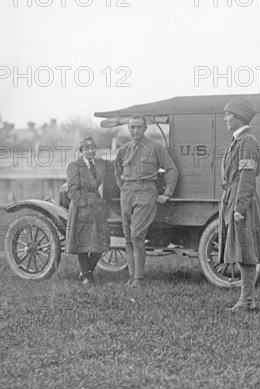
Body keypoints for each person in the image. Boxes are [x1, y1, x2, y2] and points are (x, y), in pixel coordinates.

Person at [115, 115, 179, 287]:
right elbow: (117, 172)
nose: (135, 130)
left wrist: (167, 193)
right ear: (129, 129)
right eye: (132, 127)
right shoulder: (123, 150)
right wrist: (124, 187)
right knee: (127, 235)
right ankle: (131, 276)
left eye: (139, 127)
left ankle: (139, 278)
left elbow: (172, 169)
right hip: (127, 192)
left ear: (145, 129)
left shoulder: (155, 147)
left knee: (137, 234)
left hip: (146, 192)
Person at [219, 98, 260, 312]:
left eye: (228, 115)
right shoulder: (238, 141)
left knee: (245, 250)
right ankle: (247, 299)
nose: (225, 119)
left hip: (242, 199)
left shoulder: (247, 141)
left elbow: (247, 176)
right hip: (234, 196)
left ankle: (246, 300)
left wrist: (239, 208)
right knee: (242, 249)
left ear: (238, 117)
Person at [65, 137, 110, 285]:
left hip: (97, 206)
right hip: (80, 207)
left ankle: (87, 271)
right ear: (81, 151)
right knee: (83, 244)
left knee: (101, 242)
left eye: (92, 149)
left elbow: (117, 164)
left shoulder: (100, 163)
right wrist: (83, 206)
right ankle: (87, 277)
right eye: (86, 149)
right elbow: (71, 190)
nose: (90, 151)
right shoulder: (74, 166)